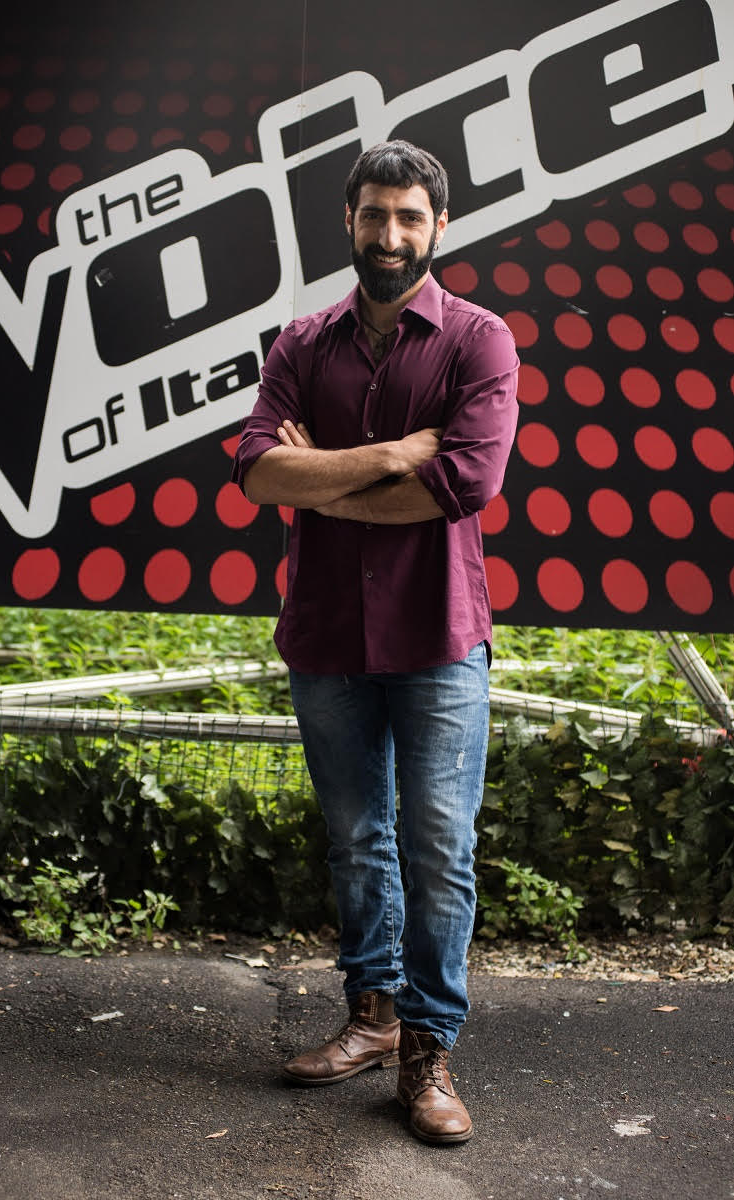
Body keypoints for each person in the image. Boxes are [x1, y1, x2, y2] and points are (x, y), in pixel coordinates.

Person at [232, 140, 518, 1145]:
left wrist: (325, 478)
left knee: (438, 847)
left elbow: (465, 484)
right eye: (372, 215)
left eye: (407, 217)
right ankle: (373, 1018)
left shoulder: (480, 341)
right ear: (347, 222)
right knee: (356, 842)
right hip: (327, 633)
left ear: (438, 227)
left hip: (439, 637)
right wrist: (393, 454)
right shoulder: (302, 343)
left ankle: (427, 1050)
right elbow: (257, 470)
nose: (389, 235)